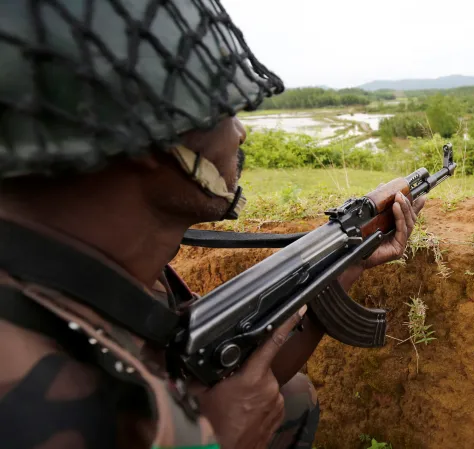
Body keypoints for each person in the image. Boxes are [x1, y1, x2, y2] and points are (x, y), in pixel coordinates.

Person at [0, 1, 424, 448]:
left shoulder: (107, 262)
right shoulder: (24, 399)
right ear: (150, 139)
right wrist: (217, 442)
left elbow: (220, 377)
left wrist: (346, 263)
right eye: (224, 113)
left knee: (291, 399)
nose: (240, 133)